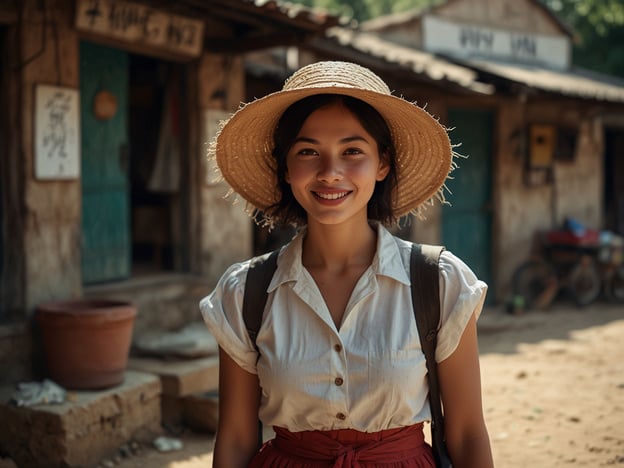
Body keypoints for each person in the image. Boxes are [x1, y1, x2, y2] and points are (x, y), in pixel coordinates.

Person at [200, 61, 493, 468]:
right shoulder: (244, 293)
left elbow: (467, 434)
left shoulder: (438, 284)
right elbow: (234, 438)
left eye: (352, 151)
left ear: (383, 163)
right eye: (308, 152)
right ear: (285, 167)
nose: (330, 172)